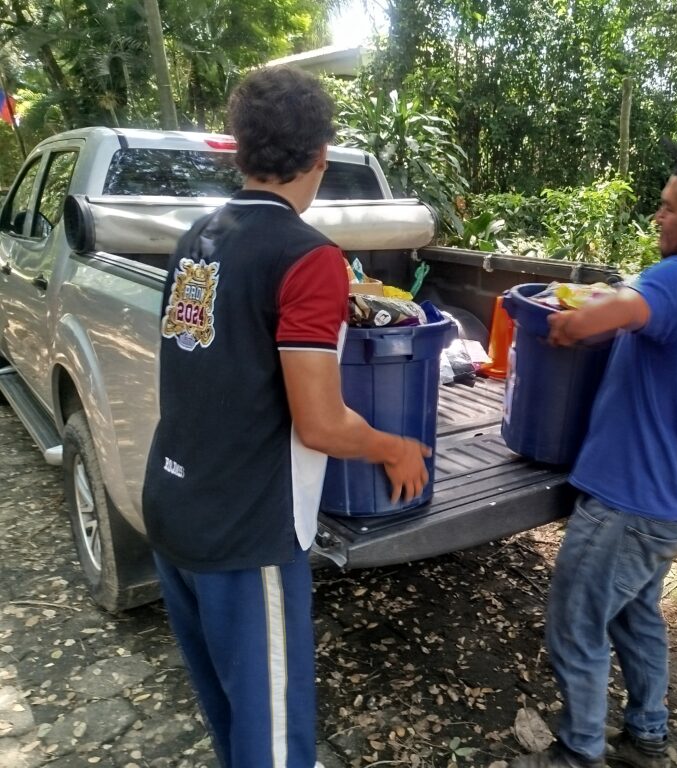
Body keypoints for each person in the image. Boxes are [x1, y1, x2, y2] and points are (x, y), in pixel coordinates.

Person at [142, 66, 430, 768]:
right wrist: (396, 446)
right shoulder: (308, 258)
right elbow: (321, 425)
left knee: (237, 724)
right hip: (247, 535)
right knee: (272, 748)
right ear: (321, 157)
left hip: (174, 509)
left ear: (238, 150)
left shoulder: (197, 238)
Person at [513, 141, 677, 768]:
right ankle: (648, 733)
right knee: (635, 617)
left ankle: (578, 752)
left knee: (575, 626)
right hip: (669, 502)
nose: (658, 217)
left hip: (625, 502)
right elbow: (639, 307)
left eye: (668, 209)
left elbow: (620, 309)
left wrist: (570, 322)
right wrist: (612, 299)